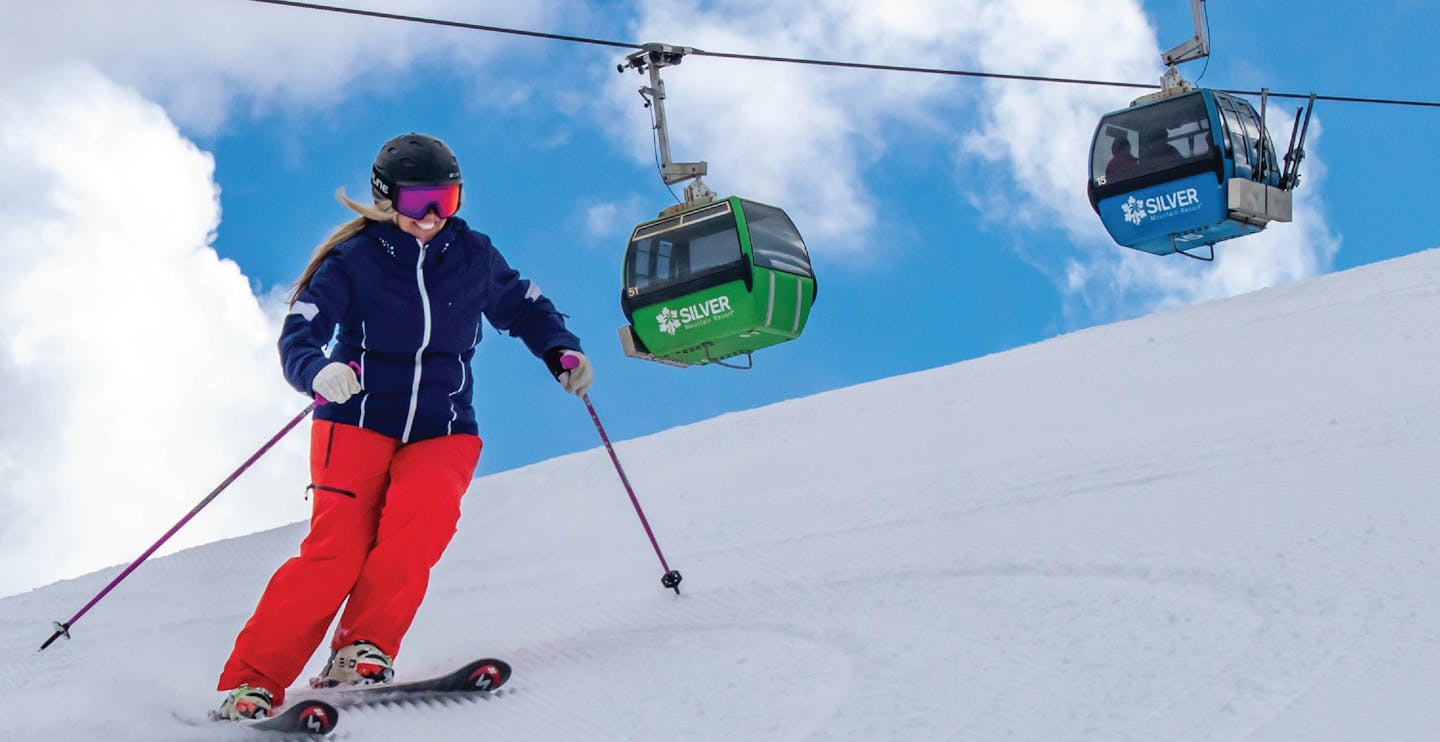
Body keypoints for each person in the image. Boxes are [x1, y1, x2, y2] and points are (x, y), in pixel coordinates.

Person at [213, 132, 593, 721]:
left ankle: (363, 648)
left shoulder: (472, 254)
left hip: (443, 424)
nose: (435, 216)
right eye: (420, 203)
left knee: (420, 526)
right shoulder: (356, 259)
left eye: (448, 199)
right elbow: (302, 330)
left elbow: (525, 306)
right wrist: (319, 371)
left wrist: (560, 350)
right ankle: (252, 682)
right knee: (336, 553)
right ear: (389, 200)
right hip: (357, 418)